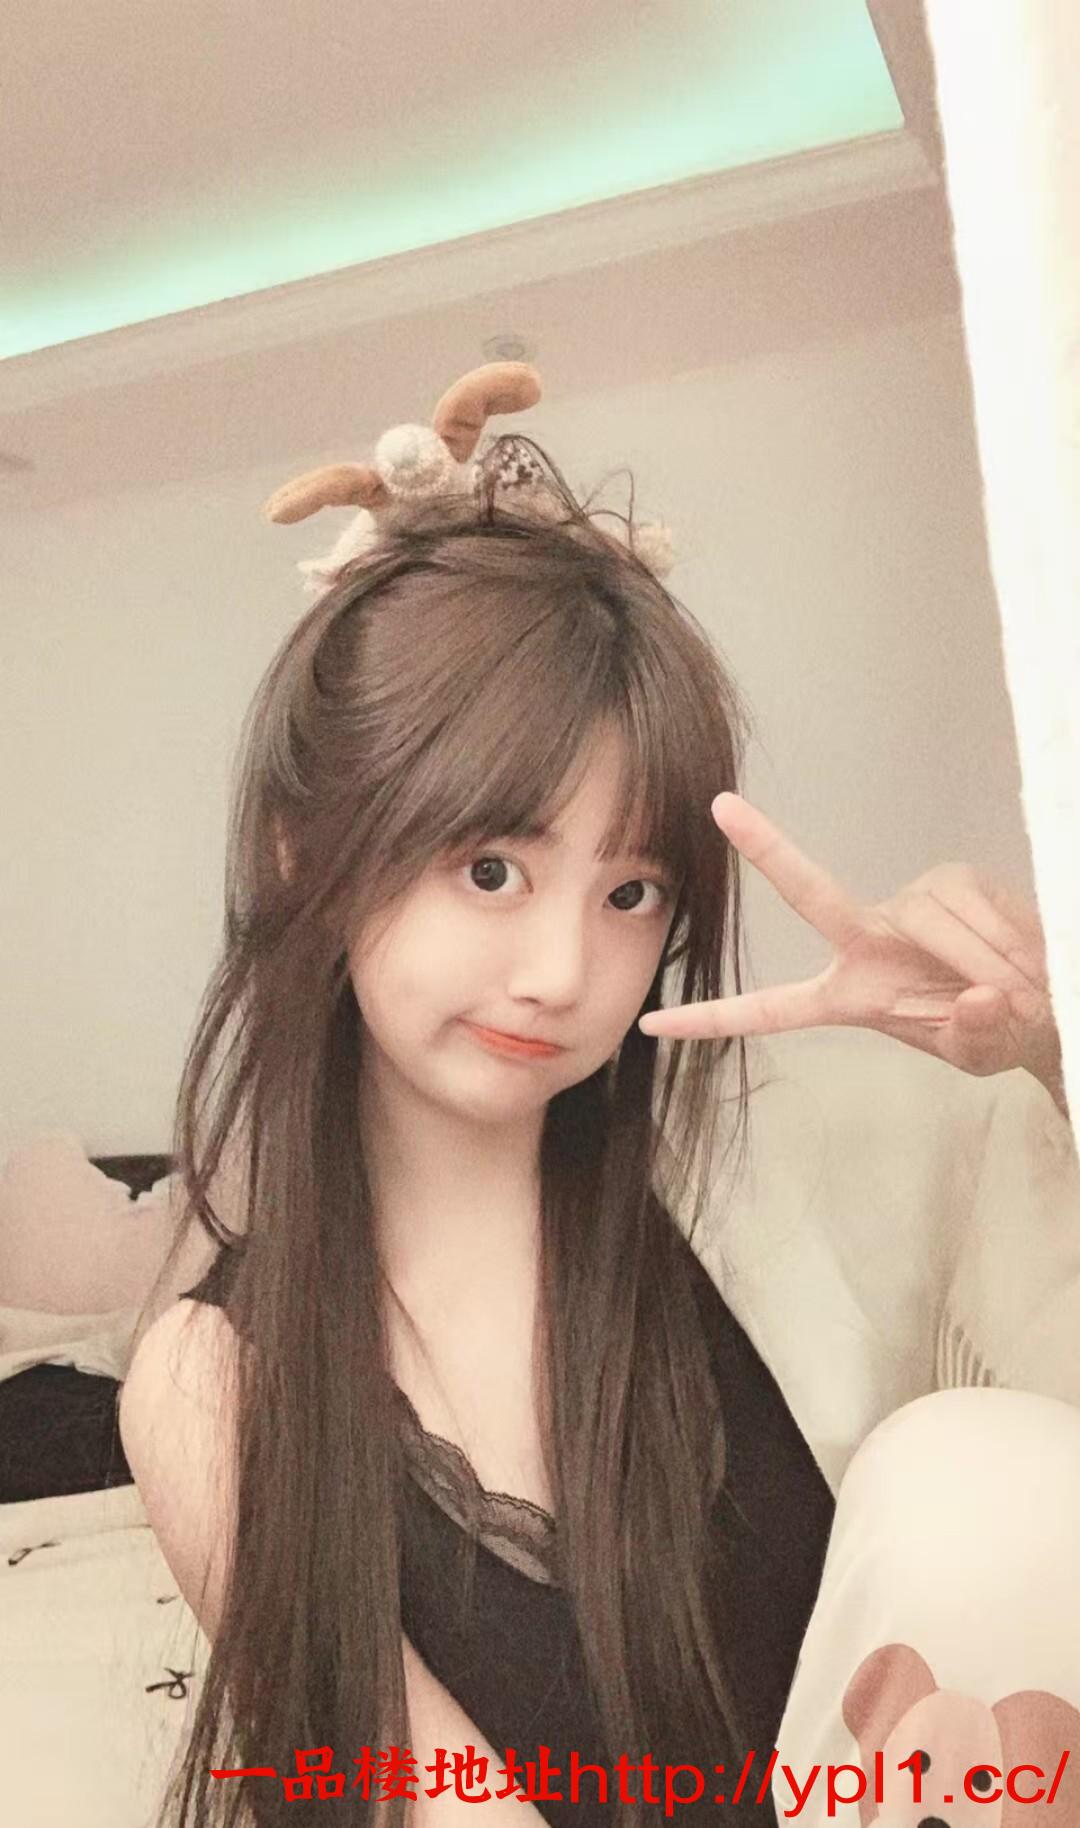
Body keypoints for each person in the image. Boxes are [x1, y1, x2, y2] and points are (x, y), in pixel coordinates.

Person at [118, 363, 1071, 1828]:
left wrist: (1055, 1054)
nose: (564, 972)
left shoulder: (782, 1160)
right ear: (310, 854)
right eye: (491, 868)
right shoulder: (216, 1386)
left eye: (630, 892)